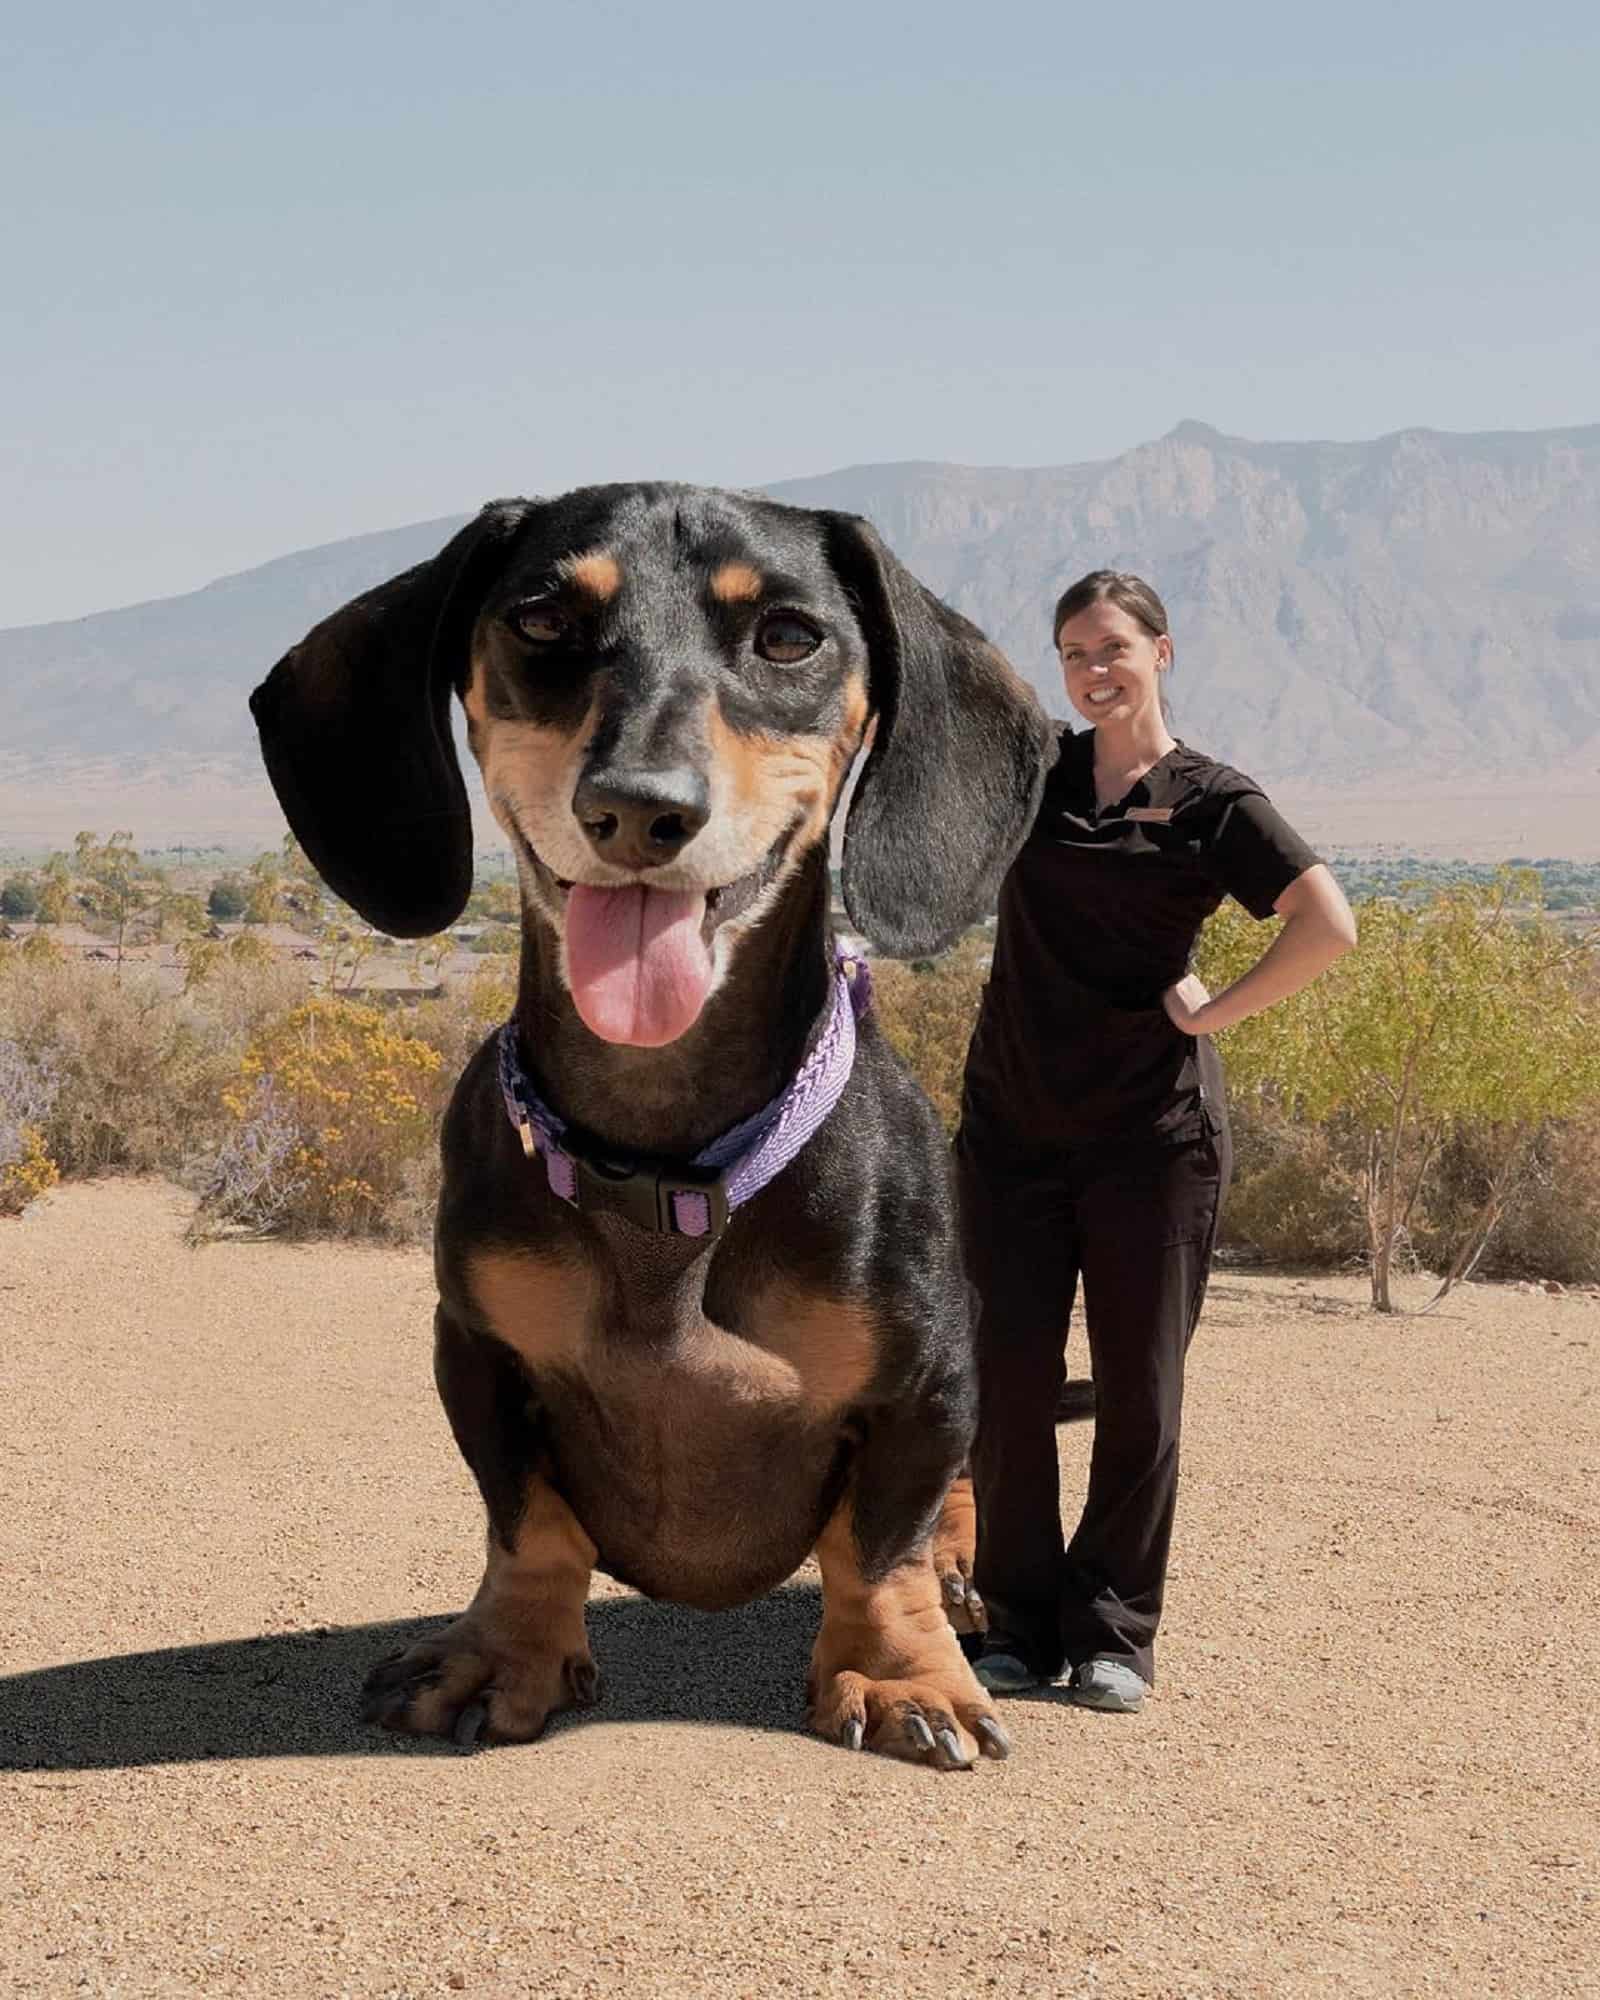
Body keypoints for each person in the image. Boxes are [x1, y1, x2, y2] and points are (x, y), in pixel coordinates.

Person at [955, 570, 1357, 1712]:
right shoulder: (1033, 775)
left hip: (1152, 1137)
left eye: (1113, 646)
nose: (1092, 668)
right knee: (1006, 1378)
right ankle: (1017, 1623)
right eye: (1073, 649)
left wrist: (1210, 1010)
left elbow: (1326, 922)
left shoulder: (1209, 801)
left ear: (1162, 652)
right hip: (1011, 1128)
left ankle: (1115, 1632)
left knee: (1141, 1388)